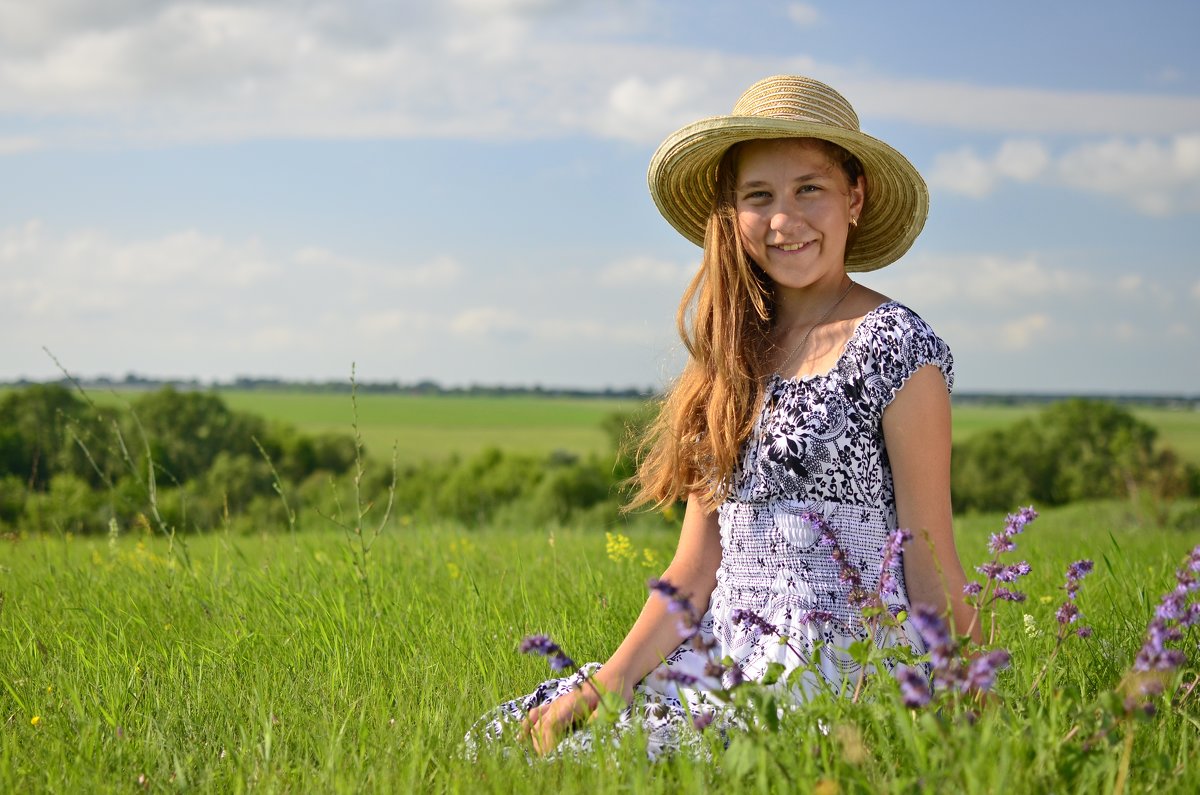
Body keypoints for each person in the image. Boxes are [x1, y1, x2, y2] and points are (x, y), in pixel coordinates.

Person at [467, 74, 978, 760]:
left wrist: (980, 705)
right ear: (730, 213)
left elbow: (929, 554)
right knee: (510, 741)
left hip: (839, 677)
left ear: (853, 199)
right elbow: (695, 566)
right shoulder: (730, 354)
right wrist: (607, 685)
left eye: (810, 190)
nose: (784, 219)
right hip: (721, 667)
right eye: (758, 196)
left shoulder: (895, 348)